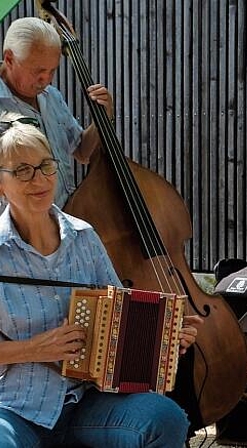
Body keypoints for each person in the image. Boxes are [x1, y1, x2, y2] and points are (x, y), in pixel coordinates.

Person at [0, 112, 201, 447]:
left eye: (46, 165)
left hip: (88, 403)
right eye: (22, 170)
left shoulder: (84, 237)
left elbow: (123, 321)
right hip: (16, 407)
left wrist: (163, 339)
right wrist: (36, 348)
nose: (39, 180)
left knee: (164, 417)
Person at [0, 16, 114, 209]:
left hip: (65, 220)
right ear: (9, 59)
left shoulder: (52, 96)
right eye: (38, 71)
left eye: (52, 71)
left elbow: (82, 152)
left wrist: (103, 117)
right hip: (16, 234)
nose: (45, 80)